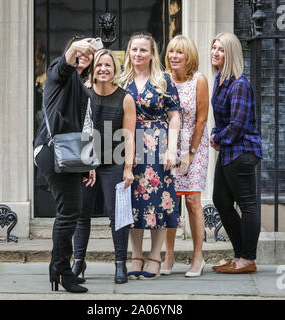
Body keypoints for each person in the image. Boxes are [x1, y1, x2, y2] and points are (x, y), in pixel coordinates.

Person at [33, 36, 97, 293]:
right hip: (51, 151)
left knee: (72, 210)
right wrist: (74, 49)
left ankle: (59, 267)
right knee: (69, 211)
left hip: (68, 153)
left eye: (89, 54)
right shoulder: (59, 74)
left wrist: (88, 164)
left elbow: (83, 127)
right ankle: (61, 270)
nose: (85, 57)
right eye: (80, 51)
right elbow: (64, 64)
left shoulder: (80, 85)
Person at [119, 32, 181, 280]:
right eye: (134, 49)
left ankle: (155, 256)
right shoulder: (121, 80)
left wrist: (172, 149)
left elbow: (175, 116)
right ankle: (136, 256)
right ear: (129, 52)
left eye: (143, 50)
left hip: (158, 146)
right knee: (134, 203)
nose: (138, 54)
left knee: (159, 201)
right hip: (129, 146)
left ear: (152, 53)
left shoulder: (164, 80)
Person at [72, 49, 136, 284]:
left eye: (108, 65)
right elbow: (78, 131)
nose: (103, 69)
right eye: (99, 65)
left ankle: (120, 264)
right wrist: (84, 162)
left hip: (114, 163)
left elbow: (129, 136)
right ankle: (78, 261)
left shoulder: (125, 98)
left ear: (114, 69)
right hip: (87, 162)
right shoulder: (84, 93)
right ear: (93, 69)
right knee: (81, 213)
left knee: (117, 215)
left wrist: (128, 167)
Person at [210, 32, 263, 274]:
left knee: (247, 204)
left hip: (241, 152)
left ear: (230, 53)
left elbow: (238, 124)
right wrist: (215, 133)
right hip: (228, 150)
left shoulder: (239, 84)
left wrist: (218, 139)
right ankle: (240, 254)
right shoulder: (219, 79)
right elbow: (221, 120)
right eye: (213, 47)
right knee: (221, 200)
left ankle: (248, 258)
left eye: (220, 49)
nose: (215, 52)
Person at [162, 35, 209, 277]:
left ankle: (198, 257)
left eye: (179, 52)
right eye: (171, 52)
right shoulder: (163, 80)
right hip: (170, 146)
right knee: (170, 202)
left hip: (195, 146)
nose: (174, 56)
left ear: (188, 56)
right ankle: (168, 256)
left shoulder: (199, 80)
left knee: (192, 201)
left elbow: (201, 118)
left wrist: (190, 152)